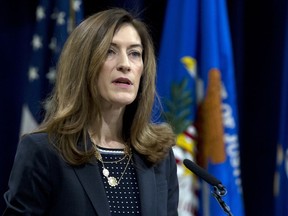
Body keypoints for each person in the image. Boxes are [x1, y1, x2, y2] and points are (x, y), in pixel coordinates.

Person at [3, 8, 179, 216]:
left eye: (134, 54)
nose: (125, 65)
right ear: (83, 65)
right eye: (109, 51)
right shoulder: (44, 152)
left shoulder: (158, 155)